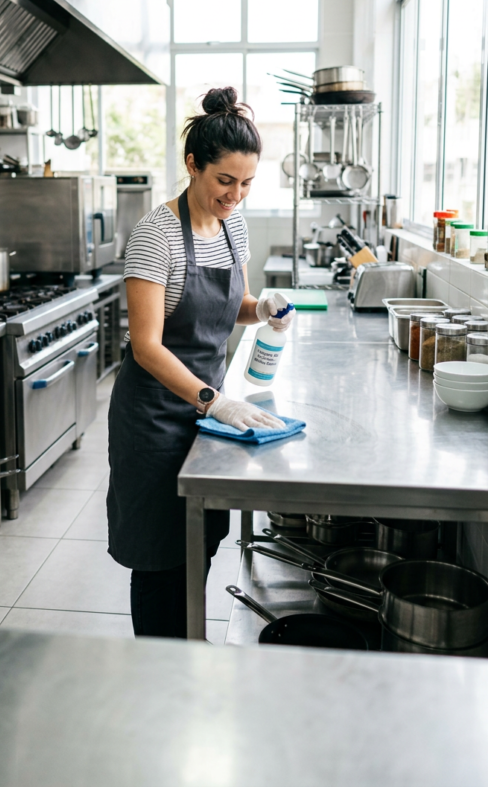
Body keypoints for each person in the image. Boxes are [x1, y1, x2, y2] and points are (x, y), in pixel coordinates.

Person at [107, 86, 295, 638]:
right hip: (156, 419)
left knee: (199, 542)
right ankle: (161, 662)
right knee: (159, 555)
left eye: (246, 184)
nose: (235, 195)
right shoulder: (156, 234)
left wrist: (260, 309)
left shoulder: (232, 226)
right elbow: (148, 344)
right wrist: (217, 402)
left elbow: (222, 308)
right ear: (193, 165)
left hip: (205, 414)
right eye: (224, 181)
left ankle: (189, 647)